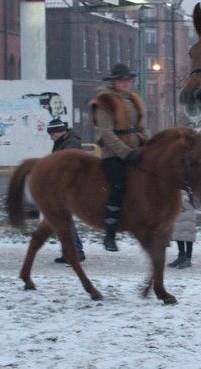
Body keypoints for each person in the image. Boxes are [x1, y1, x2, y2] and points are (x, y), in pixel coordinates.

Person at [89, 63, 147, 252]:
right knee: (118, 186)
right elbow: (106, 133)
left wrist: (148, 144)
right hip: (113, 153)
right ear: (114, 81)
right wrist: (125, 152)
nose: (126, 83)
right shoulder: (103, 102)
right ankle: (110, 233)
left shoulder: (134, 99)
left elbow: (141, 126)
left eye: (128, 80)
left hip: (136, 148)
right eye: (122, 80)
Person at [47, 118, 86, 264]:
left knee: (64, 220)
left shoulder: (71, 143)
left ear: (59, 131)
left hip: (70, 187)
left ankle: (75, 253)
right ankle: (69, 252)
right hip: (64, 186)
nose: (51, 137)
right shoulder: (63, 142)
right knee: (61, 220)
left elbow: (69, 167)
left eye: (52, 134)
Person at [169, 190, 197, 269]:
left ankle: (188, 258)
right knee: (179, 233)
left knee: (188, 235)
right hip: (179, 212)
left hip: (188, 212)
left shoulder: (191, 188)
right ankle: (181, 256)